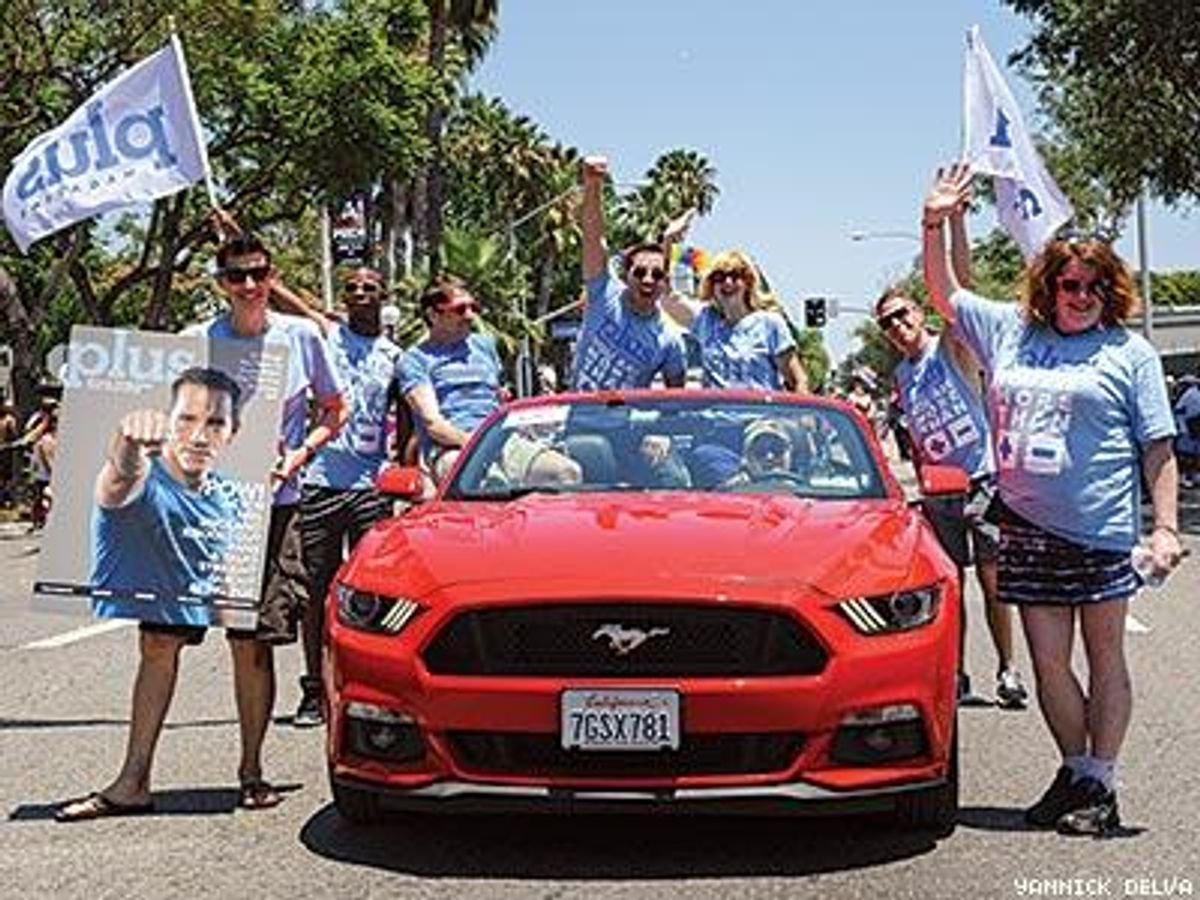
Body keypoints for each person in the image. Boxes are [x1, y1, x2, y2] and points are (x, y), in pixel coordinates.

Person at [922, 162, 1184, 836]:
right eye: (1070, 284)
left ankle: (1101, 779)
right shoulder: (1013, 331)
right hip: (1027, 527)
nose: (1082, 295)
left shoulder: (1130, 353)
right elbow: (946, 294)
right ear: (1050, 287)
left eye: (1096, 285)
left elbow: (1158, 447)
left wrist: (1164, 528)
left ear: (1111, 290)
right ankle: (1078, 773)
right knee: (1046, 662)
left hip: (1099, 529)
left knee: (1105, 659)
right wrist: (938, 218)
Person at [57, 232, 347, 821]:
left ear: (272, 275)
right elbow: (155, 414)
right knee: (158, 641)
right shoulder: (193, 342)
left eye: (258, 273)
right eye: (236, 275)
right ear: (221, 282)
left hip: (269, 509)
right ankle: (131, 779)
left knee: (249, 644)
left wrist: (297, 457)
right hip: (188, 509)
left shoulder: (302, 339)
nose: (248, 285)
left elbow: (332, 410)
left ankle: (251, 772)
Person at [875, 209, 1027, 710]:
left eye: (903, 314)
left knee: (992, 579)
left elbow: (961, 286)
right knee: (950, 588)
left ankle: (1007, 669)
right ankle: (955, 674)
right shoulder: (901, 375)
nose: (898, 326)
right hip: (939, 492)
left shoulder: (952, 349)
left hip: (983, 479)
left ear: (920, 312)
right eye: (887, 323)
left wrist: (956, 223)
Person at [294, 266, 404, 727]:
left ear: (383, 296)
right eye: (352, 288)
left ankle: (366, 684)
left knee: (369, 595)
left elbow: (410, 421)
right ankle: (314, 688)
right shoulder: (328, 336)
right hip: (320, 481)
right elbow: (286, 299)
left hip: (370, 487)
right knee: (314, 592)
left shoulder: (397, 356)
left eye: (368, 288)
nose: (359, 294)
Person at [90, 368, 244, 625]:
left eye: (216, 423)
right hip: (125, 630)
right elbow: (122, 473)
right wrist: (127, 439)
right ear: (168, 421)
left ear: (233, 432)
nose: (199, 438)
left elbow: (218, 576)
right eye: (186, 419)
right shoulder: (144, 477)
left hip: (195, 622)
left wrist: (228, 628)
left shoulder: (228, 493)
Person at [572, 155, 687, 391]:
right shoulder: (604, 292)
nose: (648, 279)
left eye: (656, 275)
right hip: (577, 422)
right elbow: (593, 236)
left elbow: (676, 401)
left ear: (664, 283)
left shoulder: (671, 339)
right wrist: (593, 185)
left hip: (626, 427)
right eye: (640, 272)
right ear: (626, 275)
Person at [661, 249, 808, 392]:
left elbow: (797, 381)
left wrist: (803, 415)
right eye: (719, 277)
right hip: (714, 416)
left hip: (760, 416)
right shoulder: (705, 319)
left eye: (735, 275)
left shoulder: (770, 324)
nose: (728, 282)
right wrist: (668, 242)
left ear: (748, 282)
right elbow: (665, 296)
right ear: (712, 285)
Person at [400, 277, 502, 484]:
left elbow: (499, 398)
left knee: (563, 471)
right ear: (433, 315)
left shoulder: (485, 346)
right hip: (451, 447)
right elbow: (434, 424)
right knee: (481, 482)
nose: (470, 316)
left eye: (473, 307)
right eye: (460, 309)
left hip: (499, 439)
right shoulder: (415, 360)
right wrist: (480, 445)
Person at [1172, 374, 1200, 488]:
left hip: (1197, 424)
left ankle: (1195, 475)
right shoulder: (1190, 394)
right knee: (1186, 454)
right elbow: (1178, 410)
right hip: (1188, 425)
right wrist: (1182, 427)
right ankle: (1183, 476)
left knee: (1196, 453)